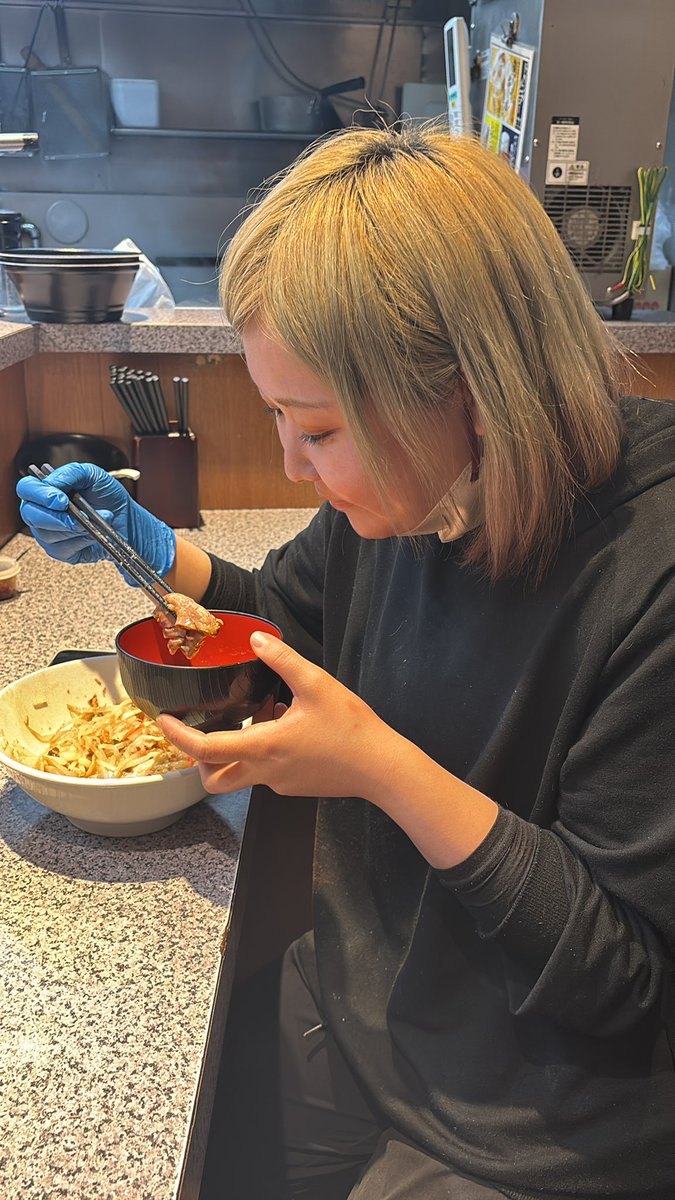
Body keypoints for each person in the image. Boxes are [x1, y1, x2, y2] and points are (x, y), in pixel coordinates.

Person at [17, 126, 675, 1200]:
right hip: (383, 1003)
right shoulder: (408, 502)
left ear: (476, 391)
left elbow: (625, 981)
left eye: (315, 430)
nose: (288, 464)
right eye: (278, 417)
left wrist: (377, 766)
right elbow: (286, 618)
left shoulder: (649, 577)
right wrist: (153, 550)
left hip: (541, 1117)